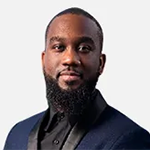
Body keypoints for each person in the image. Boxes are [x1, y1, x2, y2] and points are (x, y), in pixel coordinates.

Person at [3, 7, 150, 150]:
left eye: (84, 48)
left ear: (101, 63)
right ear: (44, 59)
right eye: (59, 47)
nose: (69, 59)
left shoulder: (129, 138)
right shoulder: (17, 135)